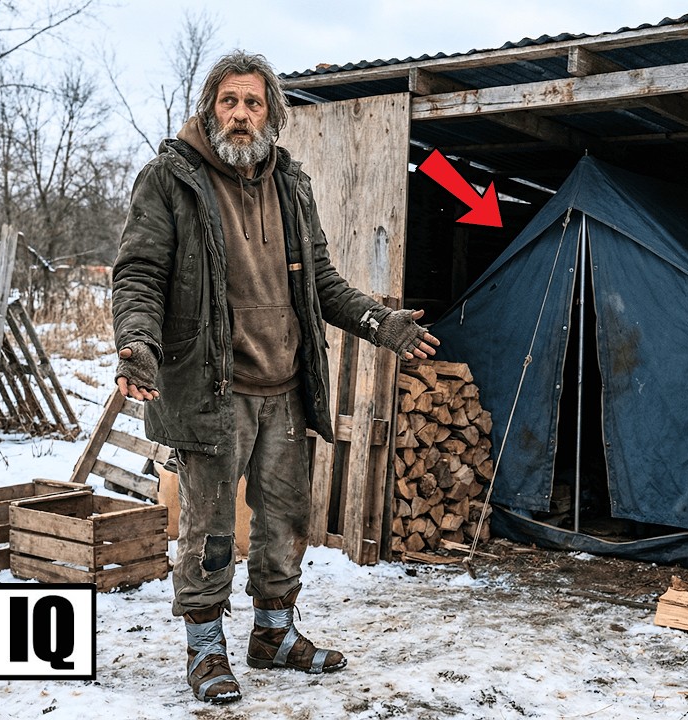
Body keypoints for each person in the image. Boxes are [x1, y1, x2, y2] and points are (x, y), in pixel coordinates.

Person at [111, 50, 439, 704]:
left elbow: (321, 282)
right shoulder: (169, 180)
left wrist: (380, 323)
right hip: (211, 391)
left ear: (272, 114)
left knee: (286, 521)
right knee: (207, 529)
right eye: (229, 101)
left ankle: (274, 635)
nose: (240, 114)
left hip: (285, 388)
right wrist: (136, 341)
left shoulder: (292, 187)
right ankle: (206, 652)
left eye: (252, 102)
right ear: (210, 108)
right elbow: (139, 274)